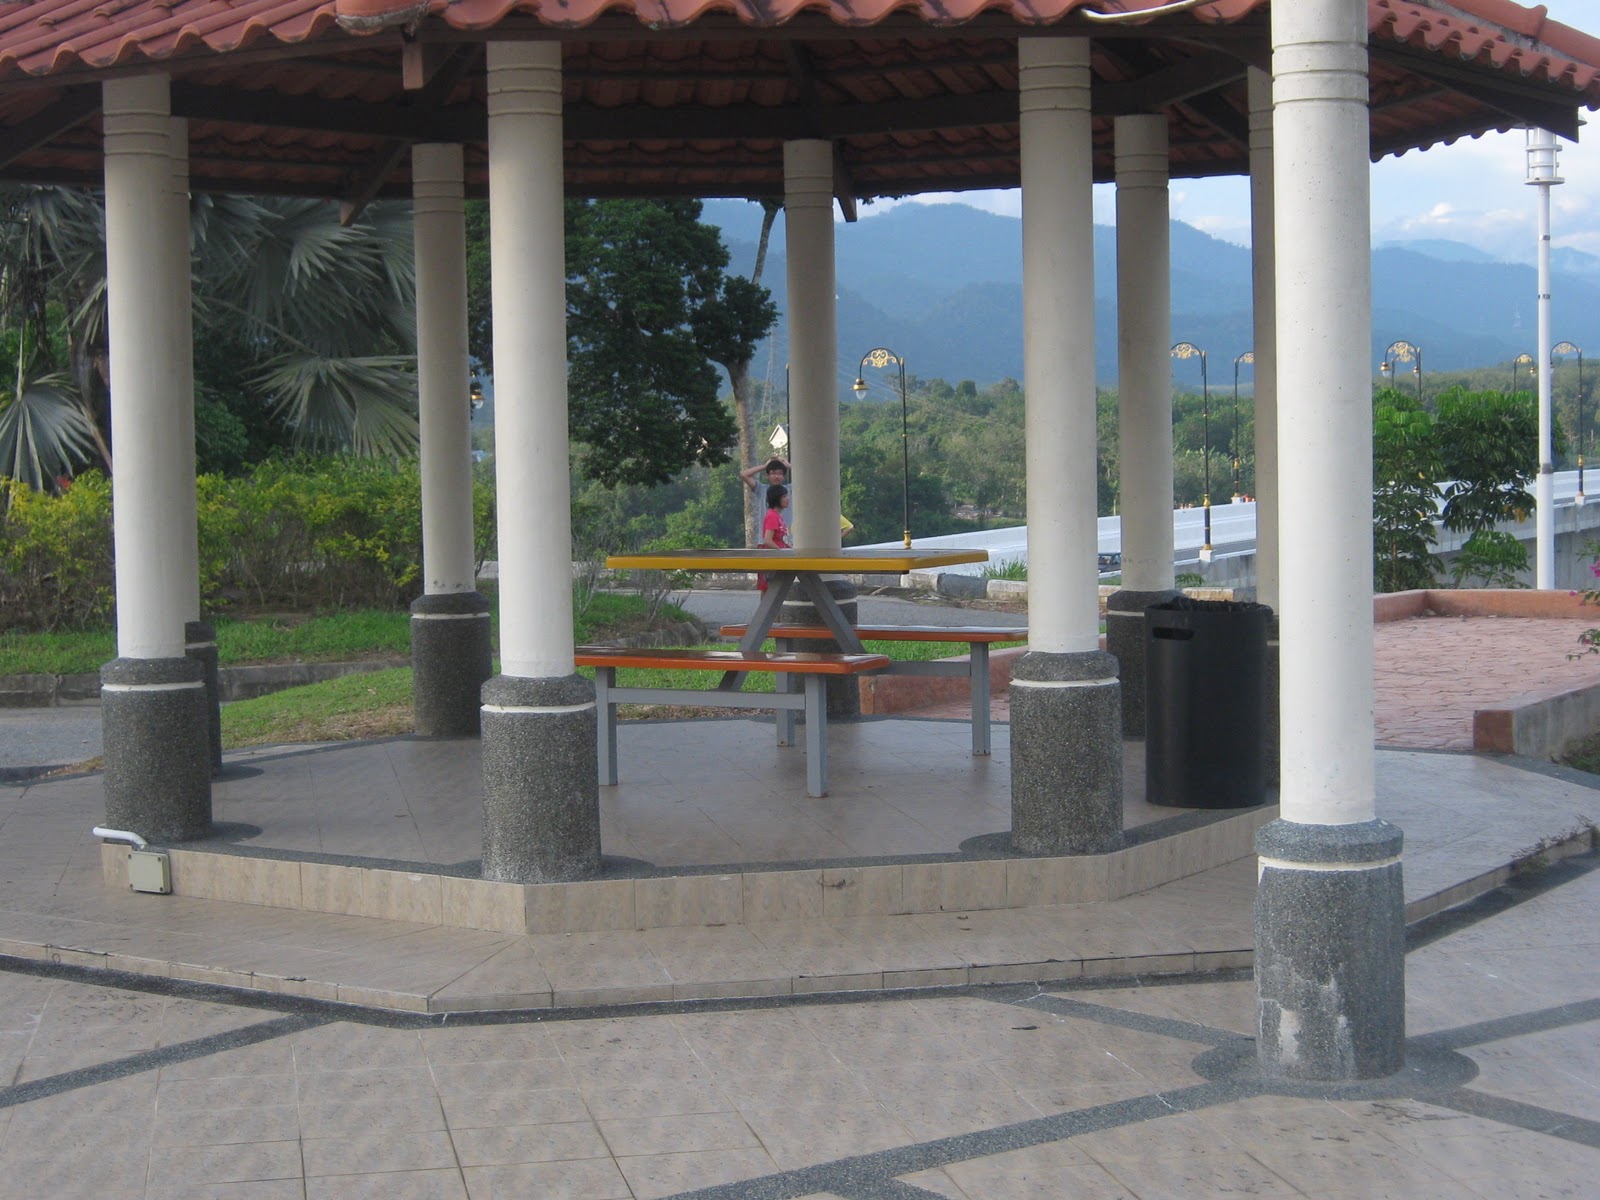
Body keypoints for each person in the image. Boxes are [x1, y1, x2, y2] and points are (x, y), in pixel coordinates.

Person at [756, 483, 790, 592]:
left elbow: (780, 538)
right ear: (776, 498)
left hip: (779, 558)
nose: (787, 499)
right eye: (784, 496)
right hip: (774, 559)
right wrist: (781, 552)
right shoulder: (772, 516)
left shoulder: (778, 516)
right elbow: (768, 540)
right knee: (769, 590)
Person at [741, 457, 791, 529]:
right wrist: (764, 466)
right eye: (773, 473)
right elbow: (744, 475)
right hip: (766, 533)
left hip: (785, 534)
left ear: (783, 476)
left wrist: (788, 466)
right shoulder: (761, 489)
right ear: (767, 476)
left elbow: (805, 477)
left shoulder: (789, 489)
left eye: (780, 473)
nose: (776, 476)